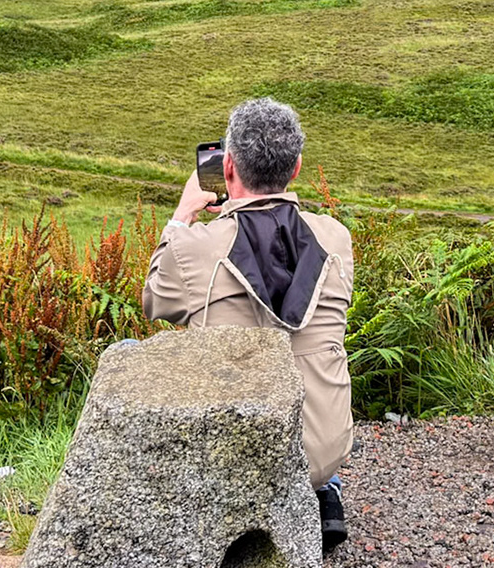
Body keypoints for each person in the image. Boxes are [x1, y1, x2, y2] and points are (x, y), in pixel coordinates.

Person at [141, 97, 355, 552]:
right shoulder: (336, 238)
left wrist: (182, 218)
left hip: (234, 452)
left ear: (229, 166)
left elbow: (155, 300)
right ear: (295, 168)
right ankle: (325, 491)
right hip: (324, 447)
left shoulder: (195, 248)